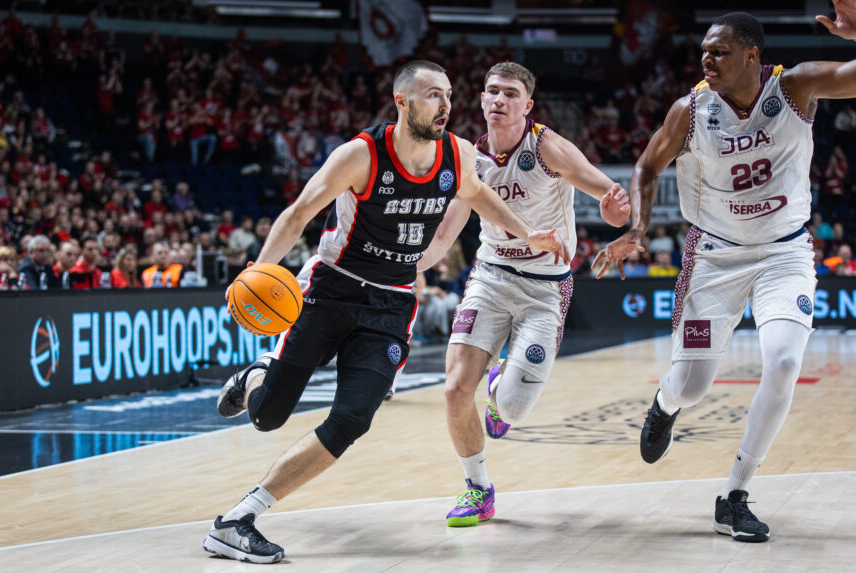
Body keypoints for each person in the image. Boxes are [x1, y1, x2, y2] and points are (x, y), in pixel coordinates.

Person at [202, 60, 570, 564]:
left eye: (446, 95)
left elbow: (479, 195)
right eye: (431, 96)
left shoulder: (457, 154)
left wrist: (527, 233)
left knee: (353, 417)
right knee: (268, 417)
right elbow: (298, 214)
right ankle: (256, 378)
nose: (444, 105)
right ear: (402, 102)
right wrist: (257, 271)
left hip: (392, 302)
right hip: (331, 290)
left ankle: (238, 519)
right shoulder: (361, 155)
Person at [592, 7, 856, 543]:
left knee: (783, 362)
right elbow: (646, 166)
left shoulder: (796, 88)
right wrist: (638, 232)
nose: (706, 59)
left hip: (784, 254)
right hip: (713, 258)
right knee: (692, 385)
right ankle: (665, 404)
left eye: (720, 51)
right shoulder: (689, 110)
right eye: (705, 51)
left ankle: (735, 494)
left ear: (753, 56)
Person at [414, 61, 629, 527]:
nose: (498, 100)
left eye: (510, 93)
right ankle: (478, 489)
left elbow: (605, 196)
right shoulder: (469, 159)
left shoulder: (548, 147)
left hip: (546, 289)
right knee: (453, 390)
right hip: (491, 278)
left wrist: (615, 208)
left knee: (511, 409)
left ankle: (500, 391)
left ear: (527, 106)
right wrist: (409, 265)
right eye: (491, 91)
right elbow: (443, 237)